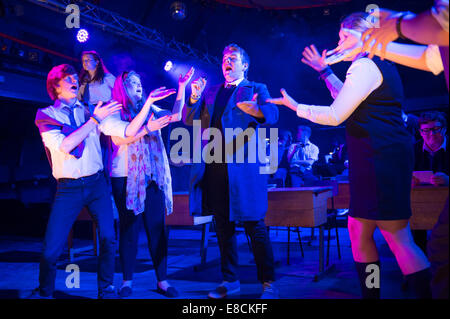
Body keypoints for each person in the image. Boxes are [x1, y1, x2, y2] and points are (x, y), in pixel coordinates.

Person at [269, 13, 431, 299]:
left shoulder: (365, 66)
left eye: (345, 36)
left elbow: (335, 115)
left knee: (395, 235)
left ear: (366, 36)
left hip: (378, 158)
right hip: (381, 156)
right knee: (361, 230)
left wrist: (296, 107)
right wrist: (324, 71)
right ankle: (374, 294)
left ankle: (418, 295)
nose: (339, 43)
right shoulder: (372, 66)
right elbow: (348, 98)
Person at [182, 44, 279, 299]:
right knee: (223, 228)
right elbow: (189, 120)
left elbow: (272, 113)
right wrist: (193, 98)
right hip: (215, 168)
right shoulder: (212, 91)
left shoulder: (256, 88)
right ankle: (230, 280)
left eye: (233, 58)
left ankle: (268, 283)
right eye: (224, 58)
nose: (227, 61)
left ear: (244, 65)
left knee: (255, 227)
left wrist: (257, 110)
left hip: (244, 171)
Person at [32, 64, 135, 299]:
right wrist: (94, 121)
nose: (73, 81)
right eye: (66, 79)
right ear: (55, 87)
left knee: (108, 237)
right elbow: (66, 146)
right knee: (51, 249)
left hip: (97, 183)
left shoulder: (89, 109)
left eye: (73, 77)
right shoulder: (46, 115)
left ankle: (106, 288)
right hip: (69, 188)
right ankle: (45, 292)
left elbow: (115, 129)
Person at [109, 68, 194, 298]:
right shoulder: (114, 111)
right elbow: (125, 134)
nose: (139, 85)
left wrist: (182, 87)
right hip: (125, 177)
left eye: (140, 82)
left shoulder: (151, 109)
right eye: (132, 82)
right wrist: (148, 116)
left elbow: (175, 116)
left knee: (157, 229)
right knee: (129, 230)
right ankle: (127, 281)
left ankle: (162, 281)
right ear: (122, 87)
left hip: (152, 176)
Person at [411, 111, 448, 253]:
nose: (431, 134)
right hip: (420, 202)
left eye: (435, 129)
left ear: (444, 129)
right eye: (426, 130)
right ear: (420, 132)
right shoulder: (414, 149)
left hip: (446, 200)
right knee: (415, 224)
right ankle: (422, 263)